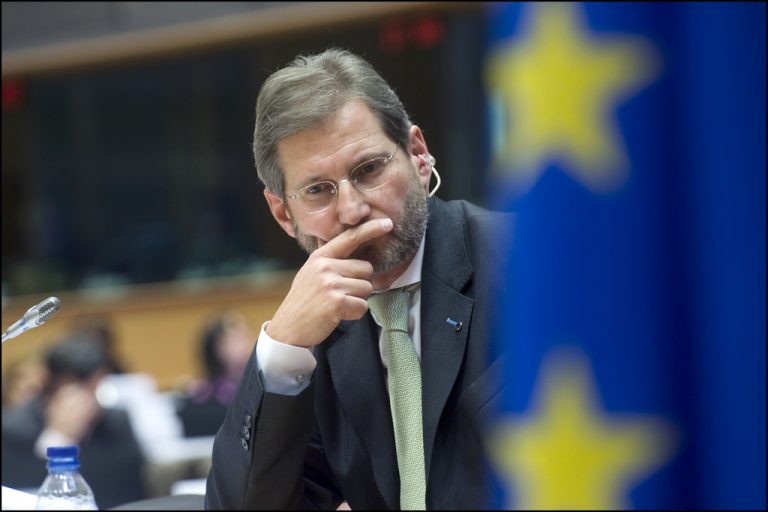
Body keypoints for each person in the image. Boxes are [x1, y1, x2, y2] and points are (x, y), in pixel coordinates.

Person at [205, 48, 512, 509]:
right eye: (317, 190)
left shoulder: (524, 265)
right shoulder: (318, 332)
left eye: (369, 170)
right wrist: (282, 345)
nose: (351, 210)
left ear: (418, 155)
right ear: (283, 214)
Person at [2, 335, 147, 509]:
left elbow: (132, 481)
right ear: (52, 383)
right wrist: (57, 437)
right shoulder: (12, 426)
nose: (90, 400)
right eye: (81, 386)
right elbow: (19, 489)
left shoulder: (115, 420)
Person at [176, 310, 255, 437]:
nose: (246, 345)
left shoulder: (259, 386)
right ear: (215, 347)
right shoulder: (200, 398)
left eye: (246, 336)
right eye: (236, 339)